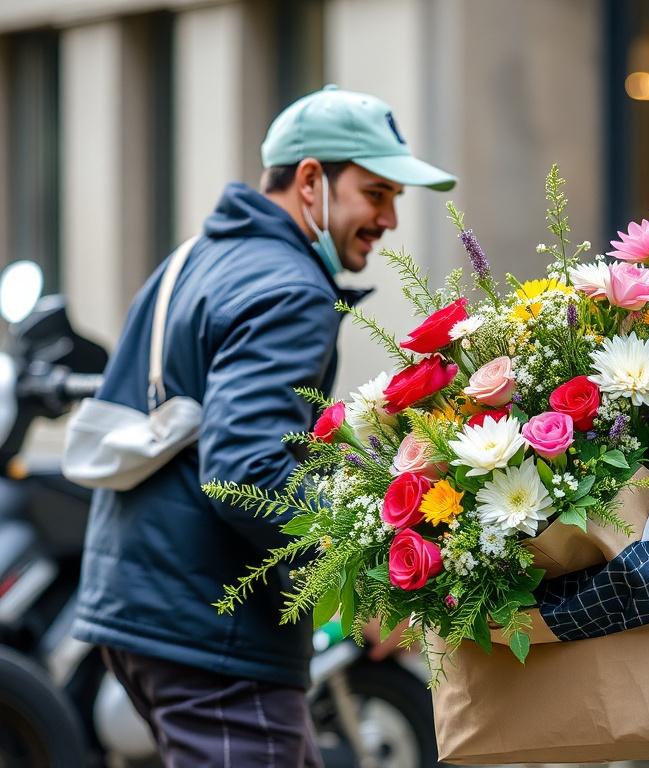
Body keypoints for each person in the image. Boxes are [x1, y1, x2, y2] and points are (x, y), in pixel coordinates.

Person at [72, 86, 456, 767]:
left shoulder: (195, 259)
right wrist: (362, 583)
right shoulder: (289, 286)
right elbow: (249, 468)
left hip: (145, 604)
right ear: (312, 179)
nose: (390, 217)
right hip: (209, 624)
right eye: (376, 192)